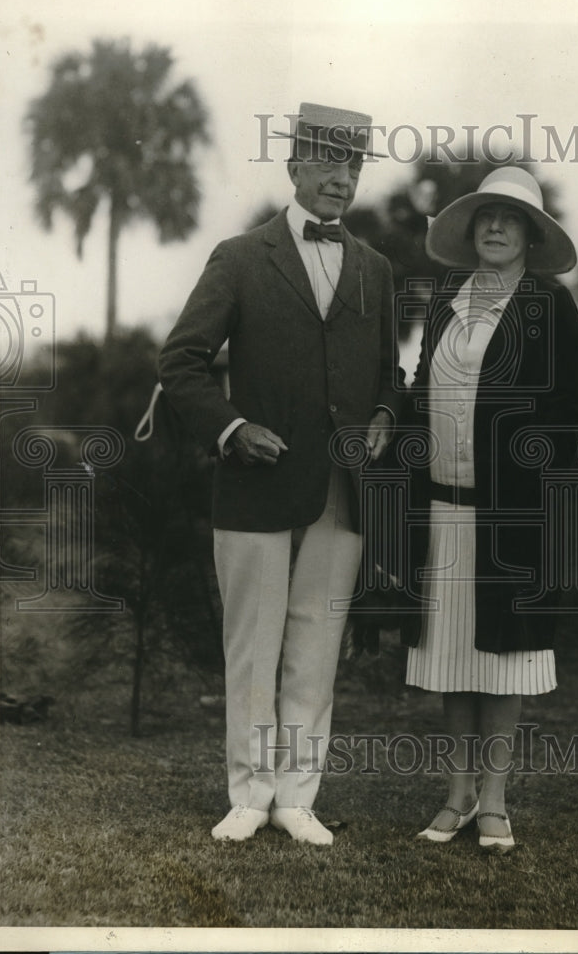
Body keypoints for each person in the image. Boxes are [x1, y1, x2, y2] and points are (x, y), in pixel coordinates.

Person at [158, 102, 401, 846]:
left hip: (342, 487)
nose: (341, 176)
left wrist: (387, 421)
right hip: (256, 484)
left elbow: (390, 375)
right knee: (253, 644)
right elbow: (181, 362)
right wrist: (232, 429)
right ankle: (248, 792)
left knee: (315, 648)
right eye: (327, 161)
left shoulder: (375, 268)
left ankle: (297, 797)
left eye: (353, 164)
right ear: (293, 167)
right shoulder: (239, 257)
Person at [402, 167, 578, 850]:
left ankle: (495, 803)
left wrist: (541, 491)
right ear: (471, 229)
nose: (497, 228)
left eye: (511, 220)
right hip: (444, 508)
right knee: (452, 656)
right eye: (486, 218)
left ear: (532, 235)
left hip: (513, 514)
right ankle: (455, 794)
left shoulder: (549, 303)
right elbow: (424, 385)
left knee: (503, 659)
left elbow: (568, 410)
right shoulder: (448, 294)